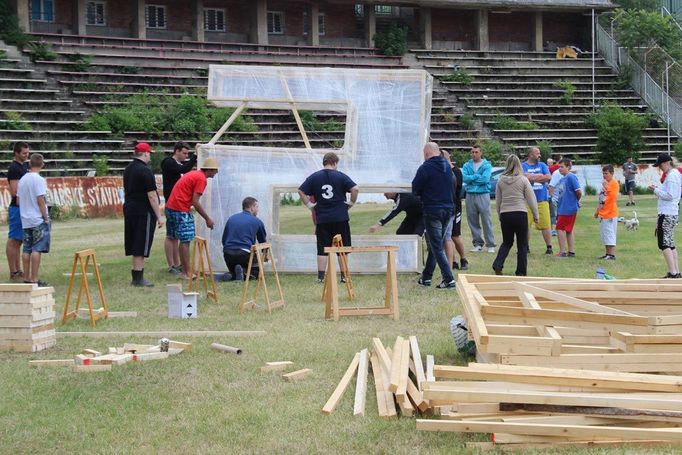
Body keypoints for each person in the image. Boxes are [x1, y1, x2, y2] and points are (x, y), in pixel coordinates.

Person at [298, 152, 359, 283]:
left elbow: (301, 191)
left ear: (324, 163)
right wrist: (351, 203)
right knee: (342, 247)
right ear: (335, 163)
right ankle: (344, 276)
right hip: (340, 217)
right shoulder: (341, 176)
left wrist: (310, 205)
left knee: (322, 248)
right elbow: (355, 189)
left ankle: (320, 277)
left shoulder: (314, 177)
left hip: (323, 217)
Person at [165, 157, 219, 280]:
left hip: (171, 207)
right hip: (180, 210)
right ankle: (186, 273)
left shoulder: (194, 173)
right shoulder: (201, 179)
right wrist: (207, 219)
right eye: (215, 170)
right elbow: (195, 201)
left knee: (176, 238)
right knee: (185, 241)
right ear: (209, 170)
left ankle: (183, 269)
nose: (216, 172)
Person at [412, 142, 456, 289]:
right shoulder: (447, 167)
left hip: (433, 210)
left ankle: (448, 279)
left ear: (426, 154)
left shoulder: (425, 168)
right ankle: (426, 277)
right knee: (435, 245)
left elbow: (415, 188)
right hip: (449, 209)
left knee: (437, 246)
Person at [123, 142, 164, 287]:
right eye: (149, 154)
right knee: (142, 242)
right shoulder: (145, 171)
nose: (150, 157)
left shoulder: (128, 169)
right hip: (143, 210)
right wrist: (159, 216)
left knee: (135, 241)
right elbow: (152, 195)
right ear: (146, 153)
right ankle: (138, 278)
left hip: (130, 208)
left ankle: (136, 275)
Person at [492, 155, 538, 276]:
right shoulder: (523, 180)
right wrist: (535, 214)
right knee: (522, 244)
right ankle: (521, 272)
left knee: (507, 242)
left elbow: (498, 200)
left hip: (505, 214)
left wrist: (499, 214)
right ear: (519, 165)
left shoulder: (500, 180)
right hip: (520, 213)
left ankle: (498, 264)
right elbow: (531, 198)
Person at [161, 141, 197, 274]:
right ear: (176, 151)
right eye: (184, 153)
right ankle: (172, 264)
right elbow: (183, 170)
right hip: (173, 204)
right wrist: (195, 157)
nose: (186, 156)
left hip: (176, 203)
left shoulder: (178, 164)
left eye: (188, 153)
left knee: (175, 236)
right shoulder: (168, 162)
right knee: (172, 236)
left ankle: (177, 263)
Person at [16, 154, 50, 286]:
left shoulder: (22, 179)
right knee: (37, 248)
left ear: (30, 164)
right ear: (42, 164)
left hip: (25, 219)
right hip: (37, 219)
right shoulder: (39, 180)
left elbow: (18, 201)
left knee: (27, 249)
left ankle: (26, 277)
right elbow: (40, 200)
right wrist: (45, 217)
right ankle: (35, 278)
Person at [648, 153, 681, 278]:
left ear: (667, 163)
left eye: (660, 165)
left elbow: (669, 195)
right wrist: (657, 189)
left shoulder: (672, 176)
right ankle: (676, 272)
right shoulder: (674, 174)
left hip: (667, 213)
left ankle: (672, 272)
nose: (660, 168)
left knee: (664, 243)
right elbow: (669, 192)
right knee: (670, 243)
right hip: (671, 212)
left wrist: (655, 190)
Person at [221, 197, 267, 281]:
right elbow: (263, 243)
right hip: (244, 254)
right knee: (257, 273)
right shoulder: (257, 221)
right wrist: (265, 255)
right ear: (252, 207)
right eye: (257, 207)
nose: (257, 210)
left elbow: (224, 240)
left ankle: (232, 275)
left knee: (235, 270)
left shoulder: (231, 218)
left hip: (228, 254)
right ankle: (244, 270)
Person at [461, 144, 495, 253]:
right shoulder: (467, 165)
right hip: (470, 195)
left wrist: (472, 179)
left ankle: (490, 244)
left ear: (481, 153)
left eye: (476, 152)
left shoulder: (486, 165)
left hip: (483, 194)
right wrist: (476, 176)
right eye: (472, 152)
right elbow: (465, 178)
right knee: (472, 220)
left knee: (486, 220)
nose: (474, 154)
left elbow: (485, 179)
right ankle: (477, 244)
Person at [522, 147, 553, 255]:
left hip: (542, 199)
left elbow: (548, 177)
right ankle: (525, 247)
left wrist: (531, 177)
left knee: (546, 224)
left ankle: (549, 247)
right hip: (527, 201)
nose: (539, 155)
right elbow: (523, 177)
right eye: (537, 153)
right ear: (530, 155)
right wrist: (539, 176)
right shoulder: (523, 166)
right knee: (525, 225)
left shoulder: (543, 165)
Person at [6, 142, 29, 282]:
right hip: (16, 208)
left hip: (24, 207)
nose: (26, 155)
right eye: (24, 153)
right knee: (13, 240)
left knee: (19, 241)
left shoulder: (24, 166)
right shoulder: (14, 168)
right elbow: (15, 191)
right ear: (16, 153)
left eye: (27, 153)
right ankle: (13, 271)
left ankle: (18, 270)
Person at [443, 152, 468, 271]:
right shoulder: (443, 171)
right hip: (445, 207)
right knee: (446, 236)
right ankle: (453, 261)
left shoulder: (456, 172)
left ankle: (463, 258)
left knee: (454, 235)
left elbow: (455, 189)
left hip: (455, 207)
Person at [555, 158, 582, 257]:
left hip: (568, 208)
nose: (560, 169)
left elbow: (578, 191)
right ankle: (571, 252)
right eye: (559, 167)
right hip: (562, 208)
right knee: (569, 230)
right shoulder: (562, 179)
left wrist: (576, 201)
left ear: (568, 167)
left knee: (559, 228)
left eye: (562, 167)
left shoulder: (571, 177)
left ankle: (562, 251)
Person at [594, 164, 619, 260]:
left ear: (612, 173)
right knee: (605, 234)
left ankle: (611, 255)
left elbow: (612, 197)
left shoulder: (614, 183)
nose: (604, 175)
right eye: (603, 173)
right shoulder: (605, 184)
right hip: (603, 213)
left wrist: (606, 187)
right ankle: (607, 253)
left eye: (606, 173)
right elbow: (601, 199)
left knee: (610, 234)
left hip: (610, 213)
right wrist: (597, 211)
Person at [548, 165, 562, 236]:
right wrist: (551, 197)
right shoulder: (556, 174)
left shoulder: (567, 174)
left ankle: (559, 229)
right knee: (554, 214)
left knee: (560, 215)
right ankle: (553, 230)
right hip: (555, 198)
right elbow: (551, 185)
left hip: (562, 199)